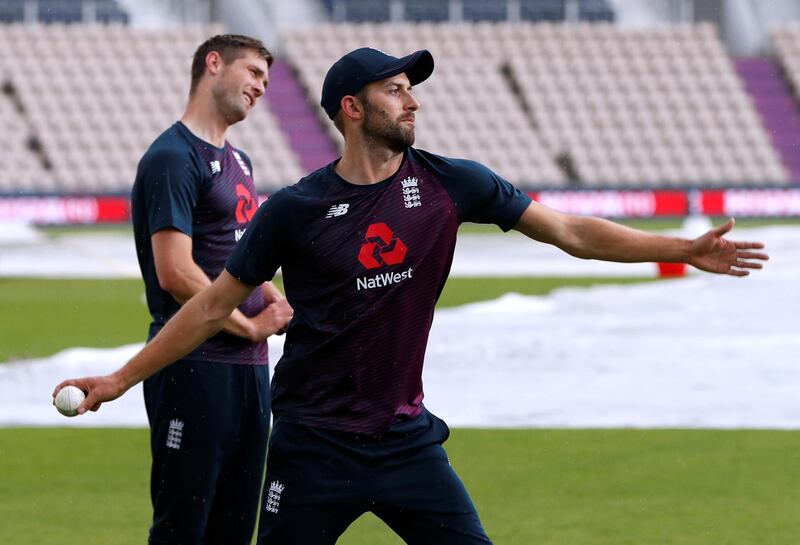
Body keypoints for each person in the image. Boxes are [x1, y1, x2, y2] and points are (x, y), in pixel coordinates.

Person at [55, 47, 768, 544]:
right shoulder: (295, 210)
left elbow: (570, 230)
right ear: (353, 109)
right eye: (395, 89)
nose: (412, 99)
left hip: (405, 442)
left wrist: (682, 248)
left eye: (410, 87)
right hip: (311, 446)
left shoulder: (453, 181)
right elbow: (210, 305)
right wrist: (120, 378)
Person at [127, 34, 292, 545]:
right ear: (213, 64)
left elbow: (239, 257)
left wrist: (271, 293)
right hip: (194, 368)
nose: (261, 87)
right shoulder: (173, 157)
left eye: (266, 78)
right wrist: (246, 325)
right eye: (253, 73)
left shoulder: (241, 162)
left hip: (249, 374)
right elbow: (175, 272)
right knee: (183, 528)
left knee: (235, 529)